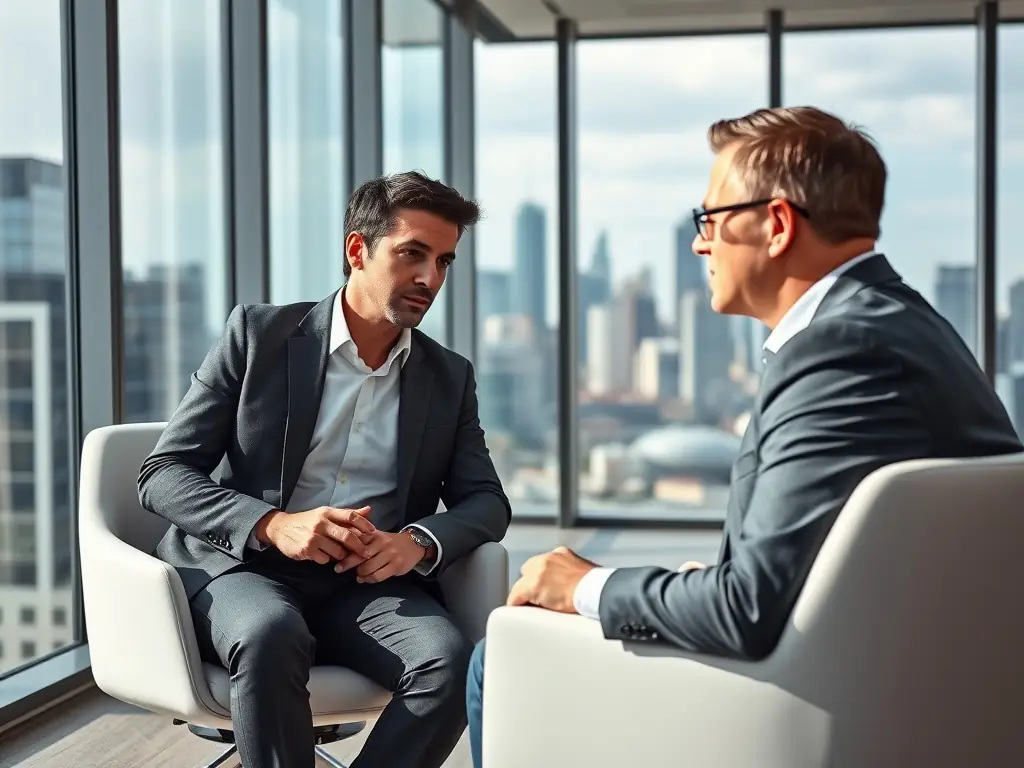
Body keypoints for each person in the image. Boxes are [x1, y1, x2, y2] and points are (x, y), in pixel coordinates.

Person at [465, 106, 1024, 766]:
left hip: (810, 699)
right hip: (903, 678)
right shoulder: (904, 323)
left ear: (777, 224)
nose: (701, 244)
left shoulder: (839, 350)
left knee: (496, 654)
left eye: (710, 220)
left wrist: (583, 585)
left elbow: (746, 610)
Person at [138, 171, 511, 768]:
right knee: (269, 634)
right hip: (244, 569)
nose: (430, 279)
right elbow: (162, 472)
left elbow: (487, 502)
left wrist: (416, 543)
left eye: (444, 261)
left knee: (450, 663)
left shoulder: (449, 376)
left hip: (365, 586)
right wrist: (274, 525)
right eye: (412, 254)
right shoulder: (258, 336)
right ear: (357, 249)